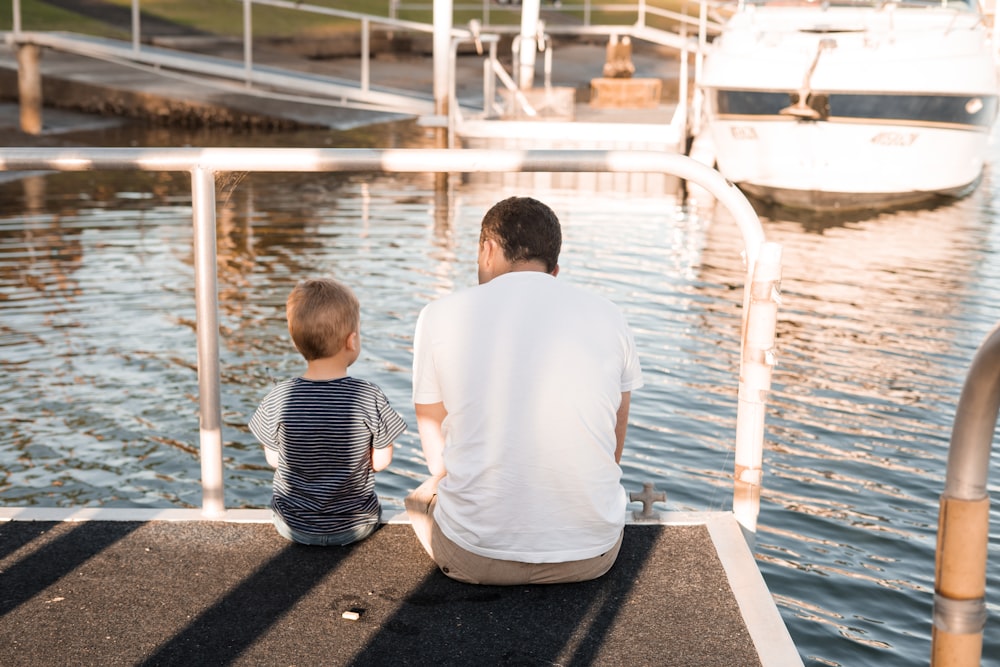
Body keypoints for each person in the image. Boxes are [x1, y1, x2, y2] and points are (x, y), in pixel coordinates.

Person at [406, 196, 643, 585]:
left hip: (474, 557)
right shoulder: (610, 315)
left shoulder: (438, 315)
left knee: (425, 492)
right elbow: (612, 450)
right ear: (555, 269)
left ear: (487, 250)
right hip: (593, 555)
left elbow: (438, 461)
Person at [249, 278, 407, 546]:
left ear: (296, 341)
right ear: (352, 340)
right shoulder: (370, 395)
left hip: (293, 525)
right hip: (355, 525)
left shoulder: (279, 396)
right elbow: (381, 462)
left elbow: (274, 460)